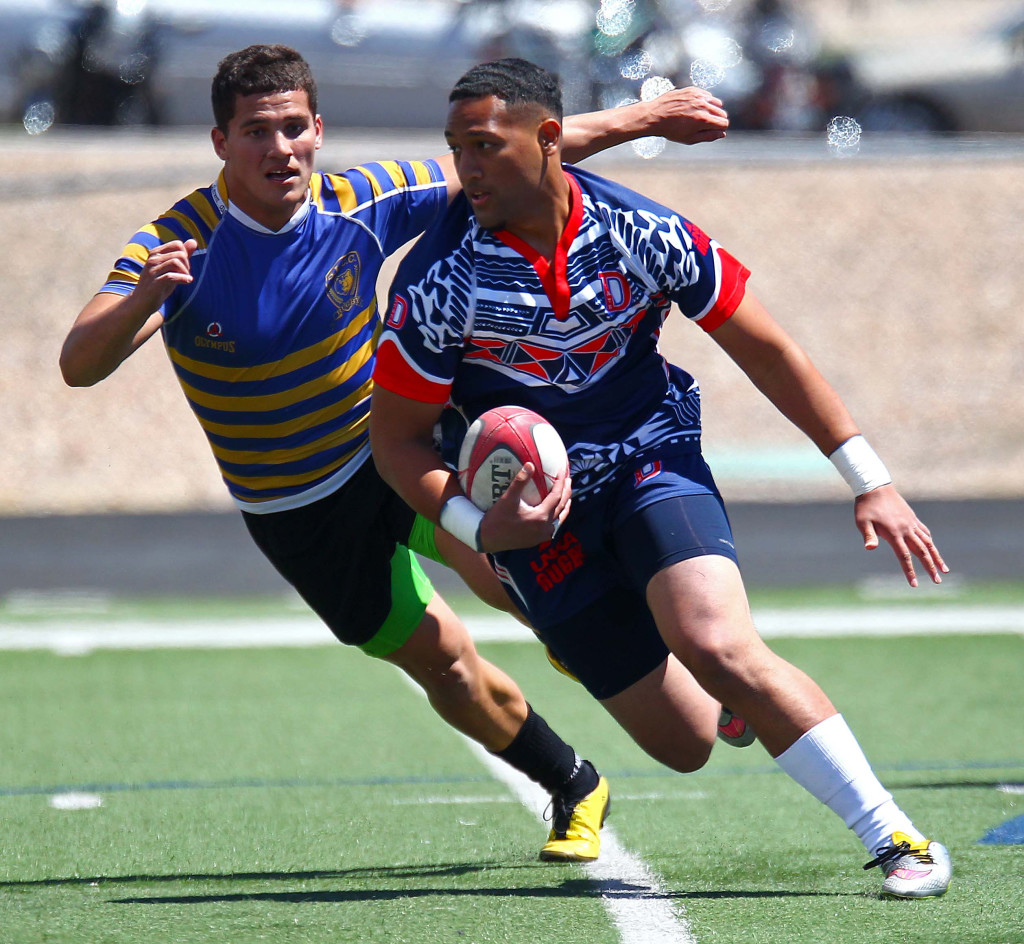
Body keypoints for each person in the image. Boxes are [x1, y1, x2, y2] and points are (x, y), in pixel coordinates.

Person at [59, 44, 734, 862]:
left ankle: (695, 673)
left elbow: (515, 150)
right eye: (256, 132)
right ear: (219, 143)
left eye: (294, 128)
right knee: (445, 667)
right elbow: (78, 364)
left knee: (516, 575)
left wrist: (648, 117)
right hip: (295, 512)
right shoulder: (177, 243)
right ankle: (573, 783)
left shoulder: (360, 200)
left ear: (319, 129)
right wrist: (144, 297)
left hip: (390, 457)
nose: (280, 149)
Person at [369, 58, 953, 898]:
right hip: (533, 525)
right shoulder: (437, 282)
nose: (467, 169)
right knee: (684, 744)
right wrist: (480, 530)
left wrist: (869, 477)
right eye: (456, 148)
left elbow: (766, 348)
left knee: (718, 643)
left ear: (549, 142)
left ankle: (896, 837)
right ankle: (722, 695)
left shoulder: (640, 230)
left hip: (651, 458)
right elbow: (397, 443)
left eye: (485, 147)